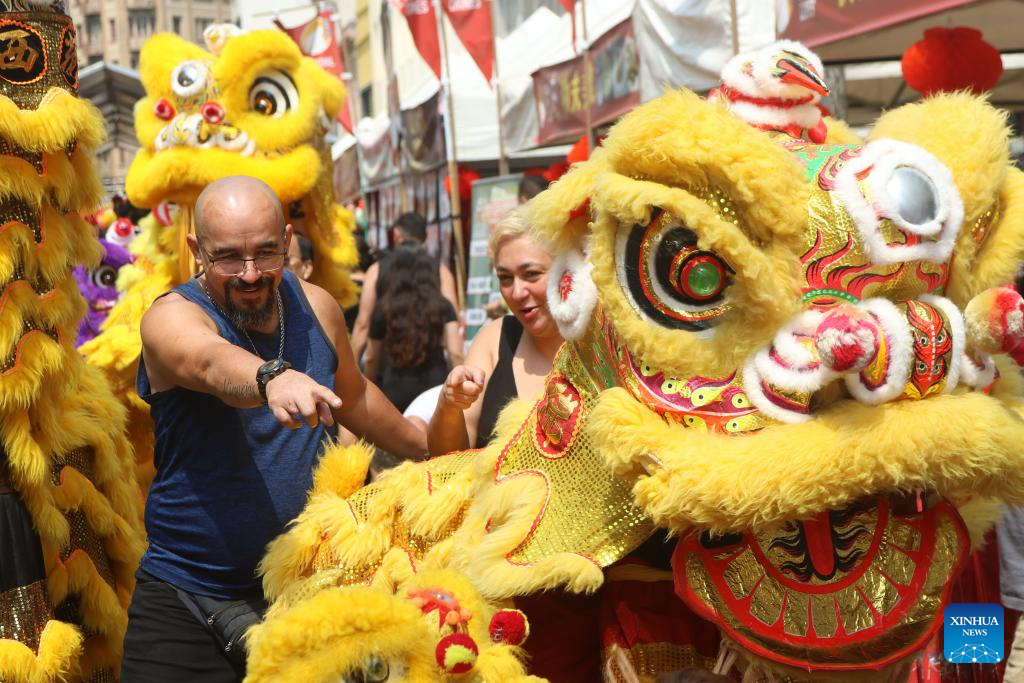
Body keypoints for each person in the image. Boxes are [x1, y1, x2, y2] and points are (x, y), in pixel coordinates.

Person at [121, 176, 426, 683]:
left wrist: (430, 446)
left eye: (266, 253)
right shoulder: (171, 317)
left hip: (307, 595)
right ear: (197, 250)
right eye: (227, 258)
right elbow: (207, 361)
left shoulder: (317, 307)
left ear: (287, 240)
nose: (249, 274)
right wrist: (272, 376)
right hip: (187, 601)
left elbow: (354, 395)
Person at [427, 206, 563, 455]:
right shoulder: (493, 339)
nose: (517, 292)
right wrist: (449, 406)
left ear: (567, 269)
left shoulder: (607, 342)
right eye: (505, 278)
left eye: (531, 274)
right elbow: (445, 458)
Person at [364, 244, 464, 413]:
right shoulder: (442, 306)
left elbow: (372, 356)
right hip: (434, 390)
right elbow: (455, 352)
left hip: (394, 388)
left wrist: (370, 388)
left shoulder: (384, 308)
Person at [349, 212, 457, 362]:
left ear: (396, 234)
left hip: (388, 373)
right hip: (434, 371)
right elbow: (452, 319)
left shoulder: (376, 270)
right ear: (425, 237)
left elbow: (362, 324)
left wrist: (350, 371)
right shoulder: (441, 271)